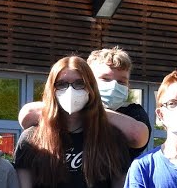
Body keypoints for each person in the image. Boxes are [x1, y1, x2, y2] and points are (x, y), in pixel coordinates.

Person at [14, 55, 144, 188]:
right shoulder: (32, 139)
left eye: (79, 83)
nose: (71, 90)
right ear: (51, 89)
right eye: (62, 84)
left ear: (91, 88)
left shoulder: (112, 138)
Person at [17, 46, 150, 149]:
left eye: (121, 82)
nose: (114, 85)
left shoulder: (133, 112)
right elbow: (27, 114)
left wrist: (92, 110)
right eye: (105, 79)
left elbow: (138, 136)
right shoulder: (67, 104)